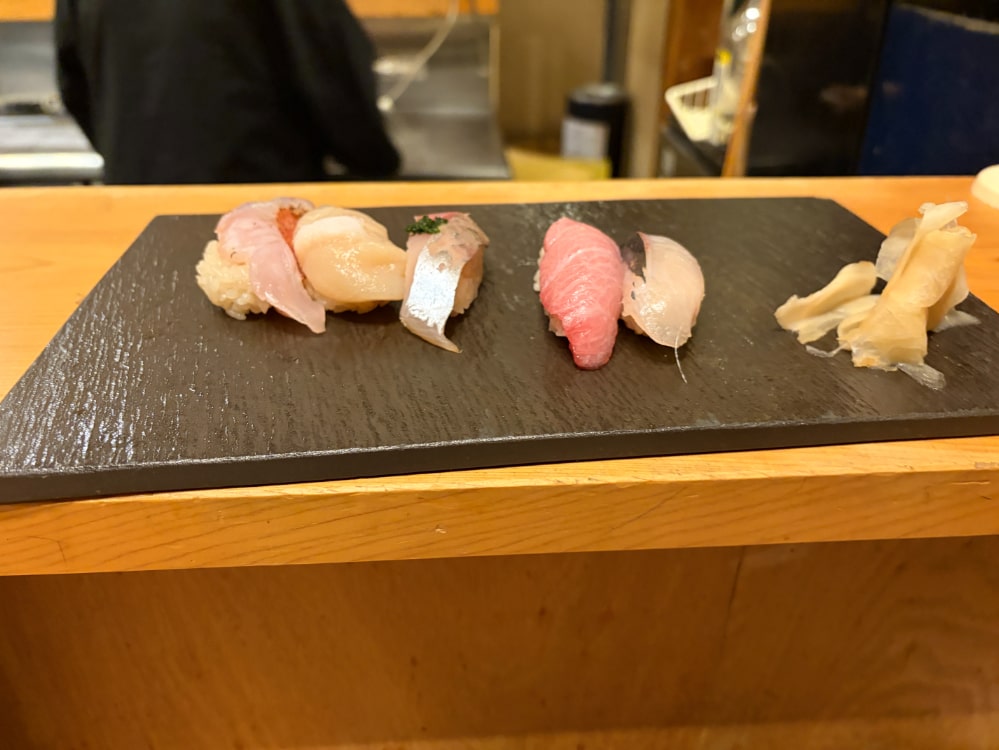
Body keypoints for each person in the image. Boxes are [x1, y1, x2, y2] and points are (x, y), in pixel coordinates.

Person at [54, 0, 401, 184]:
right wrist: (373, 160)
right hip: (257, 193)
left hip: (135, 189)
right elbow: (329, 68)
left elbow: (74, 83)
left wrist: (129, 157)